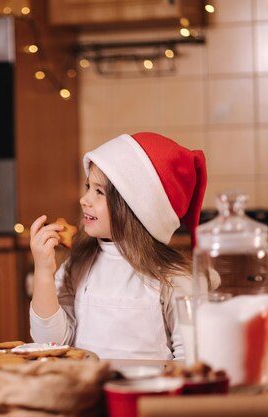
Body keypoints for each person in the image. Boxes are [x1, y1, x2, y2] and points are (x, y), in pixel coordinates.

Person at [29, 132, 206, 360]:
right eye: (88, 187)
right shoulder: (77, 266)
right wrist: (43, 271)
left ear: (136, 207)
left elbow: (190, 358)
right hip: (87, 392)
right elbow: (50, 345)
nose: (84, 199)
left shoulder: (172, 278)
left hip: (148, 395)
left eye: (99, 192)